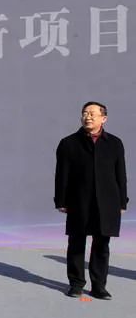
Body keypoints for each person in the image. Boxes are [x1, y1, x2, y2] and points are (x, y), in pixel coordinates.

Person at [55, 101, 128, 300]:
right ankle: (76, 284)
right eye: (85, 113)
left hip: (107, 201)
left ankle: (99, 286)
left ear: (104, 118)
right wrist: (61, 200)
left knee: (102, 245)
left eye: (92, 113)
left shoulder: (114, 143)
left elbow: (120, 174)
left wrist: (122, 201)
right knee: (76, 243)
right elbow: (62, 174)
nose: (87, 117)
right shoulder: (69, 143)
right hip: (78, 200)